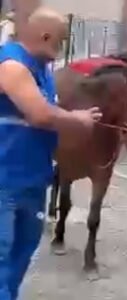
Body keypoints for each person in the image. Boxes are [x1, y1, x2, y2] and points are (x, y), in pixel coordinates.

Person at [0, 7, 102, 300]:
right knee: (1, 259)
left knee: (21, 255)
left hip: (32, 182)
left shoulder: (43, 72)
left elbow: (52, 122)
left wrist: (80, 126)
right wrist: (77, 119)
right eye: (62, 40)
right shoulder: (11, 65)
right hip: (3, 182)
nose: (64, 46)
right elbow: (40, 115)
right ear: (45, 36)